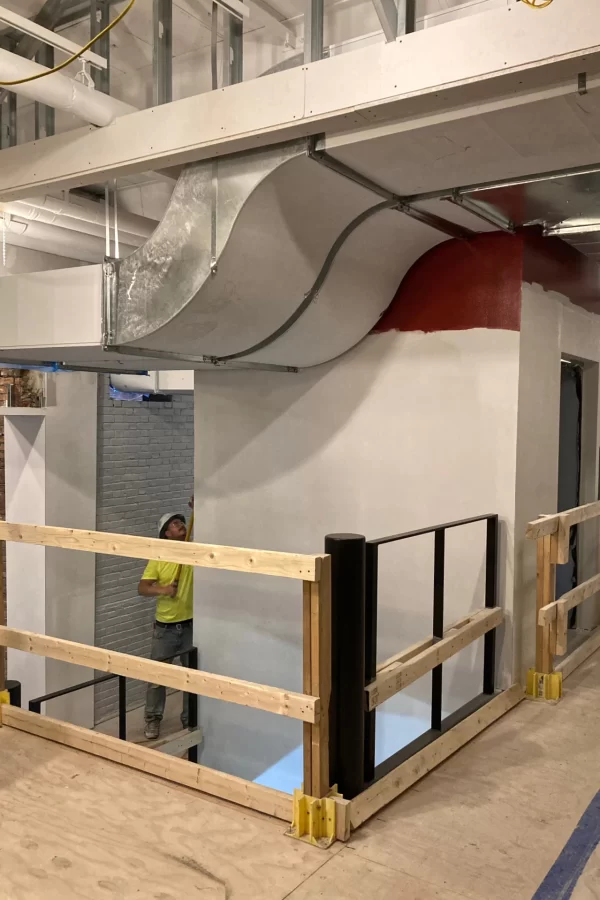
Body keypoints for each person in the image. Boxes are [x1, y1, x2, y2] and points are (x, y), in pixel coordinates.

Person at [139, 511, 193, 740]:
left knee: (192, 678)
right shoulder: (158, 558)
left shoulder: (192, 551)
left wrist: (197, 505)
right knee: (157, 678)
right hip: (165, 628)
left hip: (191, 626)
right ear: (166, 534)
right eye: (174, 524)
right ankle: (152, 720)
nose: (180, 524)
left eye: (181, 521)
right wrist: (163, 590)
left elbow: (199, 523)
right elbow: (142, 588)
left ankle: (190, 719)